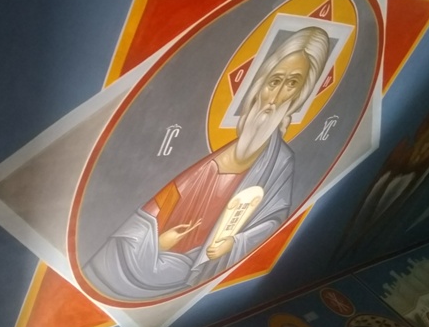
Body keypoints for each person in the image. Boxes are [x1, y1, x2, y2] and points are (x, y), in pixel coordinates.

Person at [83, 27, 330, 300]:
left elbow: (273, 219)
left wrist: (233, 243)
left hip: (192, 265)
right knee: (118, 262)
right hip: (155, 251)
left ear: (300, 94)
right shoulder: (206, 154)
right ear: (261, 84)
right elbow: (159, 207)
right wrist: (156, 243)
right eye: (275, 81)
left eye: (292, 83)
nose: (276, 95)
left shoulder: (280, 162)